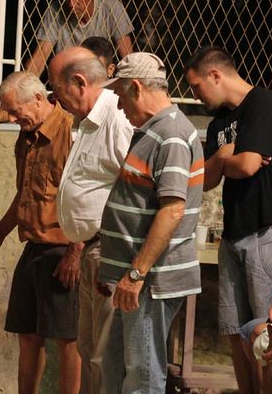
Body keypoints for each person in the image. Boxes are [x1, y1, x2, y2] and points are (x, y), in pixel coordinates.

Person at [185, 46, 272, 393]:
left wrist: (227, 163)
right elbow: (206, 180)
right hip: (233, 232)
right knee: (236, 332)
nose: (195, 95)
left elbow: (247, 165)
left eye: (196, 86)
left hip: (268, 229)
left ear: (215, 75)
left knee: (267, 333)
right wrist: (221, 156)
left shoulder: (262, 103)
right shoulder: (219, 123)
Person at [99, 52, 203, 391]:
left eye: (120, 95)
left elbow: (172, 210)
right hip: (136, 279)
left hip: (150, 282)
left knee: (142, 376)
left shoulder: (170, 134)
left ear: (136, 88)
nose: (119, 106)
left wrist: (136, 273)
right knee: (117, 368)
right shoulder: (153, 131)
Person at [0, 71, 80, 394]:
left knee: (68, 339)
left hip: (63, 247)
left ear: (37, 99)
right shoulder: (26, 136)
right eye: (8, 112)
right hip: (33, 245)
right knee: (27, 334)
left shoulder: (70, 131)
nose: (12, 118)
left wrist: (76, 251)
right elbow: (24, 193)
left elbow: (89, 197)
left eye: (15, 111)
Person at [48, 46, 133, 394]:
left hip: (111, 249)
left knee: (105, 355)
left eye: (57, 89)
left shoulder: (117, 118)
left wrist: (119, 257)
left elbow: (140, 189)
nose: (55, 99)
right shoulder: (85, 120)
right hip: (92, 249)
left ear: (80, 83)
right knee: (89, 349)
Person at [0, 35, 116, 148]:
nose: (92, 73)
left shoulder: (116, 116)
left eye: (96, 67)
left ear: (110, 70)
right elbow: (24, 103)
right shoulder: (61, 102)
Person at [25, 0, 133, 77]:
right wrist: (25, 83)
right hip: (68, 80)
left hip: (100, 80)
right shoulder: (55, 10)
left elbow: (128, 58)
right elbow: (40, 57)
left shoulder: (112, 8)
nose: (71, 4)